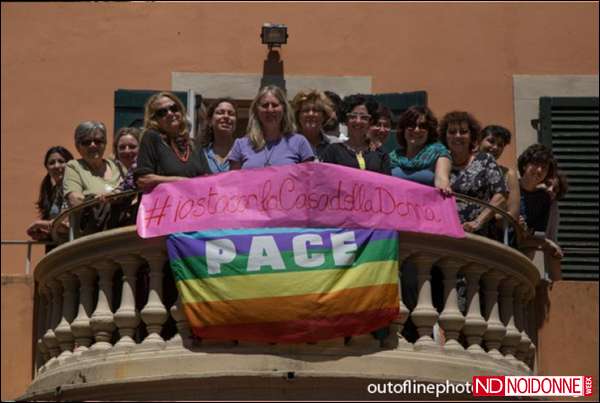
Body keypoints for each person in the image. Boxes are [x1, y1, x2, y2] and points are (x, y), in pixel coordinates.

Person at [440, 111, 507, 236]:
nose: (457, 136)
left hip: (478, 236)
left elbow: (501, 195)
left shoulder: (485, 160)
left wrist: (477, 222)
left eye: (463, 132)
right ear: (445, 136)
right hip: (444, 235)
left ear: (472, 136)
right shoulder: (438, 161)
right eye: (452, 132)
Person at [135, 91, 211, 191]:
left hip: (193, 203)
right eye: (162, 112)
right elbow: (143, 180)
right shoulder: (151, 137)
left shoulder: (193, 144)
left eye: (174, 108)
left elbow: (208, 178)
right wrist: (180, 181)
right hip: (165, 204)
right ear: (154, 119)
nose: (170, 113)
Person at [227, 85, 314, 169]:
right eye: (265, 105)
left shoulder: (300, 143)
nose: (270, 110)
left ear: (284, 109)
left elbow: (309, 179)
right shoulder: (240, 145)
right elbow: (233, 181)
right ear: (257, 110)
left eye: (275, 105)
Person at [320, 94, 390, 175]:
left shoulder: (380, 154)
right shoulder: (333, 151)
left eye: (364, 117)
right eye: (353, 116)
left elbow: (387, 184)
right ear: (345, 120)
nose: (358, 121)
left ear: (370, 121)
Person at [389, 106, 452, 195]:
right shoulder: (393, 157)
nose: (416, 130)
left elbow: (442, 179)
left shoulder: (439, 153)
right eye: (411, 125)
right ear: (403, 129)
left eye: (423, 126)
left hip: (425, 208)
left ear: (429, 131)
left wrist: (443, 187)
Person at [63, 121, 123, 207]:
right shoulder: (74, 167)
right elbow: (75, 200)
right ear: (77, 146)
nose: (93, 145)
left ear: (105, 143)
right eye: (86, 142)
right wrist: (98, 199)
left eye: (98, 141)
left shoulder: (117, 165)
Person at [26, 146, 74, 248]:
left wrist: (38, 224)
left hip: (70, 250)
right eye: (51, 163)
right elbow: (59, 228)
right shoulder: (53, 191)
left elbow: (66, 226)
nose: (56, 166)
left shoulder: (72, 189)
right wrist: (44, 234)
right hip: (56, 249)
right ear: (47, 168)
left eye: (61, 161)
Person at [478, 125, 520, 223]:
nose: (495, 147)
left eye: (500, 145)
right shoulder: (464, 166)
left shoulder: (508, 174)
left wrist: (482, 217)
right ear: (480, 141)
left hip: (490, 232)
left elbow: (513, 214)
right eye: (491, 141)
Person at [292, 89, 341, 160]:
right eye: (306, 110)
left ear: (324, 116)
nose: (311, 114)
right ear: (298, 116)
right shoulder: (287, 144)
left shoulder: (335, 145)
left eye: (316, 110)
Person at [200, 98, 237, 173]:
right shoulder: (200, 153)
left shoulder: (244, 152)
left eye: (231, 113)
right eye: (220, 112)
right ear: (210, 121)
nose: (226, 116)